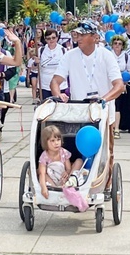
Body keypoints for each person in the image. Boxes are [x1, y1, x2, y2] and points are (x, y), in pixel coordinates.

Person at [50, 21, 123, 182]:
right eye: (77, 34)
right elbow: (55, 81)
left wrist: (104, 99)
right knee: (78, 150)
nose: (79, 38)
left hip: (102, 111)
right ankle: (78, 178)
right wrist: (58, 95)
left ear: (95, 37)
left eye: (83, 35)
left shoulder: (106, 55)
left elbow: (119, 85)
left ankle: (107, 182)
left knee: (107, 151)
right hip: (79, 112)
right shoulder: (70, 55)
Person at [38, 125, 71, 199]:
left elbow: (68, 168)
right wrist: (43, 188)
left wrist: (67, 172)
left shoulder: (63, 152)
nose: (56, 143)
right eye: (52, 140)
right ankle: (55, 187)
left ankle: (70, 182)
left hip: (63, 177)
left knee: (79, 161)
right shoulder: (44, 156)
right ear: (46, 142)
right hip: (52, 179)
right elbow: (42, 174)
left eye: (58, 140)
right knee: (43, 173)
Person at [110, 34, 130, 140]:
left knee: (118, 106)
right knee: (110, 105)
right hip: (109, 84)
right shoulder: (109, 55)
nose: (117, 46)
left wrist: (124, 82)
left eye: (119, 44)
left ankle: (117, 129)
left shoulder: (126, 55)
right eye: (115, 43)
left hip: (120, 84)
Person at [38, 29, 68, 101]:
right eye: (48, 38)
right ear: (45, 39)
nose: (51, 40)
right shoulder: (41, 50)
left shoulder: (63, 50)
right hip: (45, 85)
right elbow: (34, 67)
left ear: (57, 38)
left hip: (60, 85)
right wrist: (36, 63)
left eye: (53, 38)